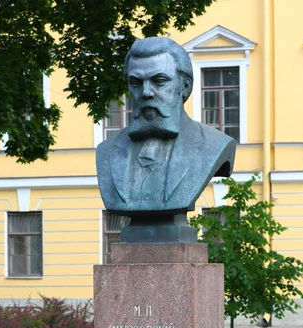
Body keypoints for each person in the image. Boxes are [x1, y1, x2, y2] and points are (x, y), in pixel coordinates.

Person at [96, 36, 236, 221]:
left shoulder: (215, 145)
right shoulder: (107, 152)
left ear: (185, 86)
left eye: (159, 81)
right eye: (136, 83)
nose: (146, 92)